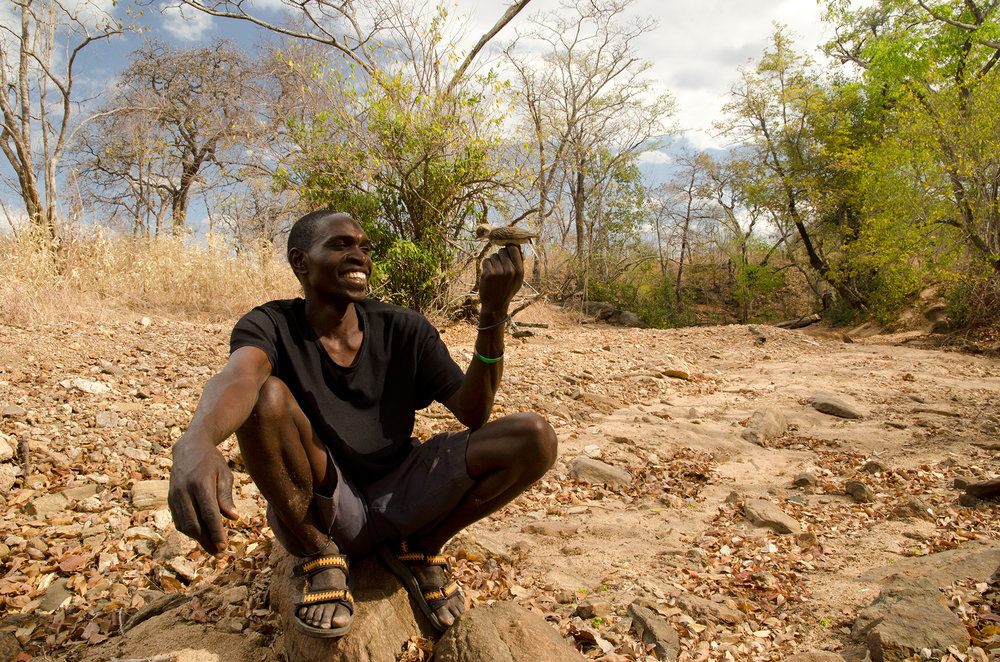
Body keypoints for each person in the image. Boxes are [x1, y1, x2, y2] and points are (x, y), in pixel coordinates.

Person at [167, 210, 557, 638]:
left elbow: (473, 412)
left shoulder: (403, 327)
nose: (360, 257)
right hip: (326, 506)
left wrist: (493, 312)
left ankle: (421, 549)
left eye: (365, 248)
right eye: (341, 245)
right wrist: (197, 440)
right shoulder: (272, 324)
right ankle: (320, 554)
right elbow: (239, 378)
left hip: (404, 496)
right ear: (300, 261)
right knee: (267, 396)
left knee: (533, 437)